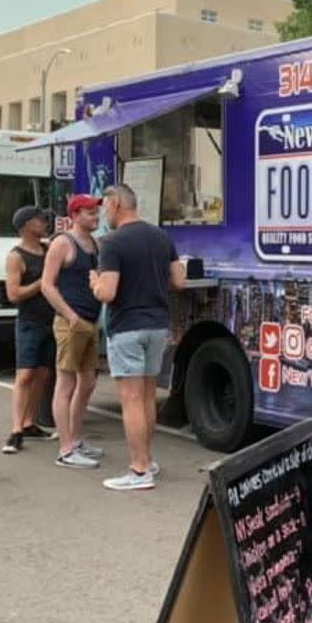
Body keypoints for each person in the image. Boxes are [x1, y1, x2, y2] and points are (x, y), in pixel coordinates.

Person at [91, 183, 185, 491]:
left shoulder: (112, 243)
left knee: (130, 399)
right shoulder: (161, 236)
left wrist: (94, 283)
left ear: (117, 203)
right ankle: (148, 459)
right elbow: (179, 281)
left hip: (127, 327)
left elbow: (108, 292)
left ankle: (139, 468)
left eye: (105, 204)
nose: (103, 211)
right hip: (158, 325)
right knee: (146, 396)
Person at [41, 194, 104, 469]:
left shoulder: (95, 244)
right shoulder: (62, 243)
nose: (95, 217)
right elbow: (47, 284)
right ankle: (65, 449)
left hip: (91, 321)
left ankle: (76, 440)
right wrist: (70, 316)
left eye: (96, 212)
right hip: (71, 323)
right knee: (65, 384)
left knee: (87, 383)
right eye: (90, 212)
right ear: (75, 214)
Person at [2, 206, 55, 454]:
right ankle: (15, 430)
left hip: (50, 320)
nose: (44, 222)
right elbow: (14, 294)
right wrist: (42, 282)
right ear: (25, 226)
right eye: (39, 220)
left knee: (43, 374)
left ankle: (30, 422)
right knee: (25, 375)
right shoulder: (16, 256)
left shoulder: (48, 250)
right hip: (29, 321)